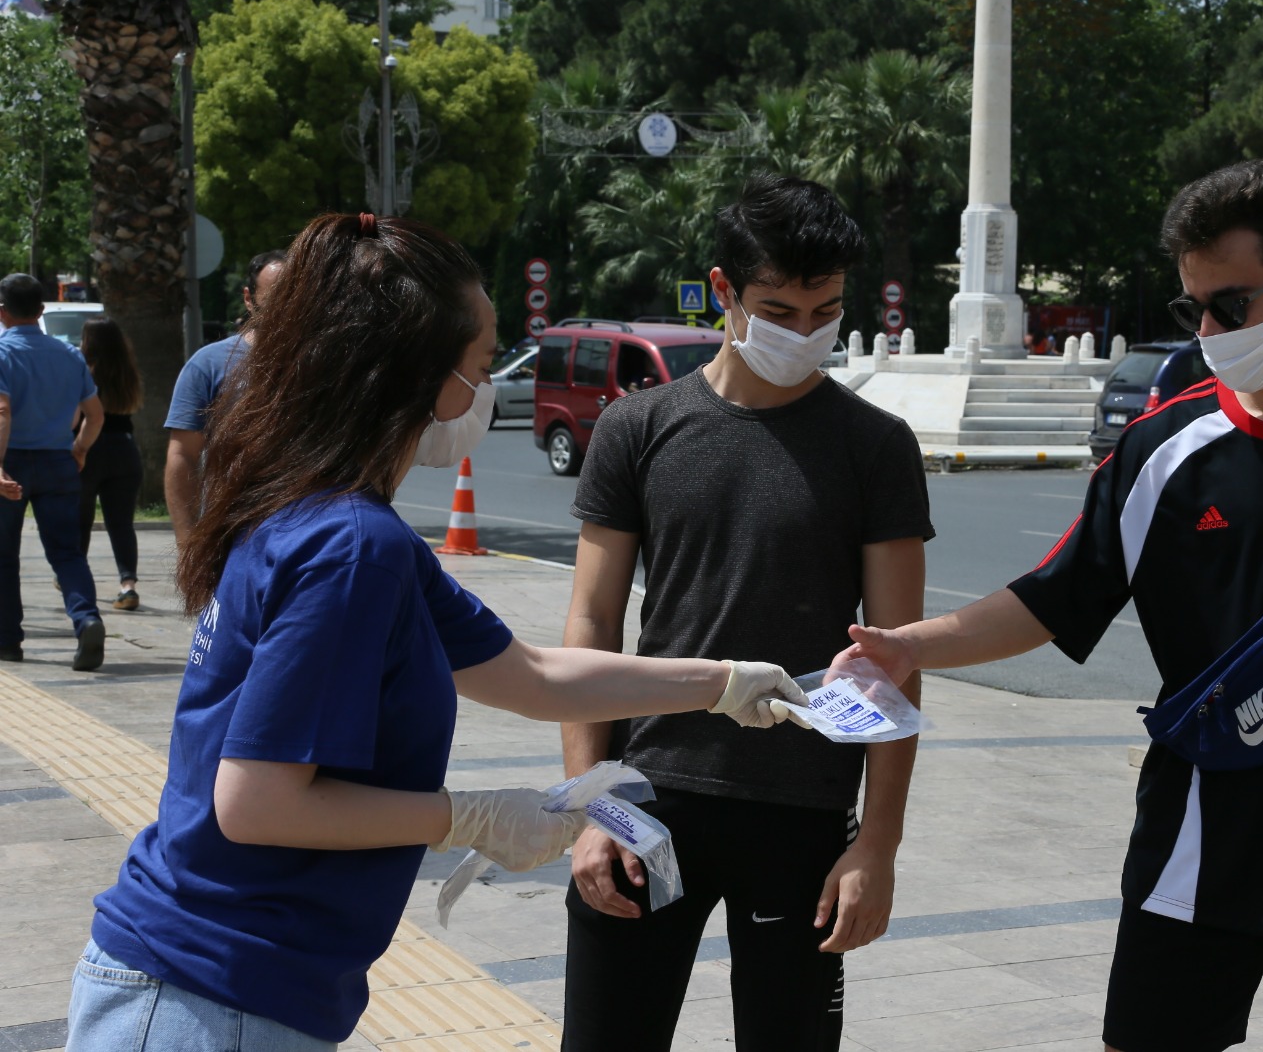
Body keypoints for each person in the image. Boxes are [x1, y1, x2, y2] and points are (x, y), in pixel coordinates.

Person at [835, 158, 1263, 1051]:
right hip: (1196, 847)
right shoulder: (1164, 447)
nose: (1205, 329)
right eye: (1189, 307)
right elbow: (1054, 597)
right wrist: (910, 647)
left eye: (1228, 305)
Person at [67, 213, 807, 1052]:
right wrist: (471, 816)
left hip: (214, 984)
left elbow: (529, 675)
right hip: (213, 992)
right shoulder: (353, 547)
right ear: (422, 376)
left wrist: (721, 683)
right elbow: (257, 803)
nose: (487, 395)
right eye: (484, 366)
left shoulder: (324, 512)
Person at [560, 174, 934, 1051]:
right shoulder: (639, 428)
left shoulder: (875, 446)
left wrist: (875, 845)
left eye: (824, 310)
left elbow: (896, 659)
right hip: (647, 800)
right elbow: (589, 625)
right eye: (779, 309)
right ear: (722, 291)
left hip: (802, 814)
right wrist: (591, 804)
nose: (805, 333)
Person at [0, 273, 106, 670]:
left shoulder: (1, 352)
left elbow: (2, 410)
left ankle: (8, 640)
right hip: (58, 461)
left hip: (11, 462)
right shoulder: (69, 355)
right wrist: (79, 450)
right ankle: (87, 619)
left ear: (1, 311)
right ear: (42, 311)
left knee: (4, 555)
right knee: (66, 552)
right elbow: (95, 416)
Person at [163, 248, 285, 548]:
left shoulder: (329, 364)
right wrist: (188, 545)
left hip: (310, 538)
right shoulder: (209, 365)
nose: (287, 311)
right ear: (249, 298)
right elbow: (182, 456)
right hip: (232, 539)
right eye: (275, 301)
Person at [77, 317, 143, 610]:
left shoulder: (84, 372)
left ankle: (74, 576)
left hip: (90, 447)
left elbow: (81, 415)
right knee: (121, 523)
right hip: (125, 449)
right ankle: (128, 585)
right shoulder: (128, 372)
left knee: (80, 517)